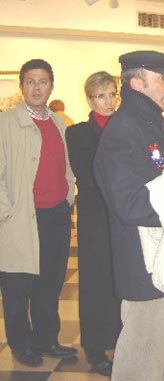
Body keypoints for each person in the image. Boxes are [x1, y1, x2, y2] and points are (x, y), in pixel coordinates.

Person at [93, 50, 164, 381]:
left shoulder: (149, 121)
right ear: (136, 82)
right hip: (143, 262)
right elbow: (128, 202)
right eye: (161, 78)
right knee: (142, 357)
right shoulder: (124, 129)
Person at [0, 59, 76, 367]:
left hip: (55, 217)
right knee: (19, 287)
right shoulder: (6, 123)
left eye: (42, 81)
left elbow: (66, 167)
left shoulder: (59, 123)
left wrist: (68, 196)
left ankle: (47, 339)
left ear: (51, 86)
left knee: (49, 284)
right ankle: (21, 344)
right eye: (30, 81)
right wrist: (6, 211)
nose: (36, 87)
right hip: (21, 219)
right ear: (21, 86)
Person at [65, 72, 121, 376]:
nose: (109, 101)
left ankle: (118, 337)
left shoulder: (126, 128)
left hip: (123, 218)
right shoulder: (78, 133)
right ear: (90, 99)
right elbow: (88, 178)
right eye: (102, 96)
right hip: (96, 219)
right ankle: (95, 347)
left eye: (113, 94)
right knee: (95, 283)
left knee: (120, 280)